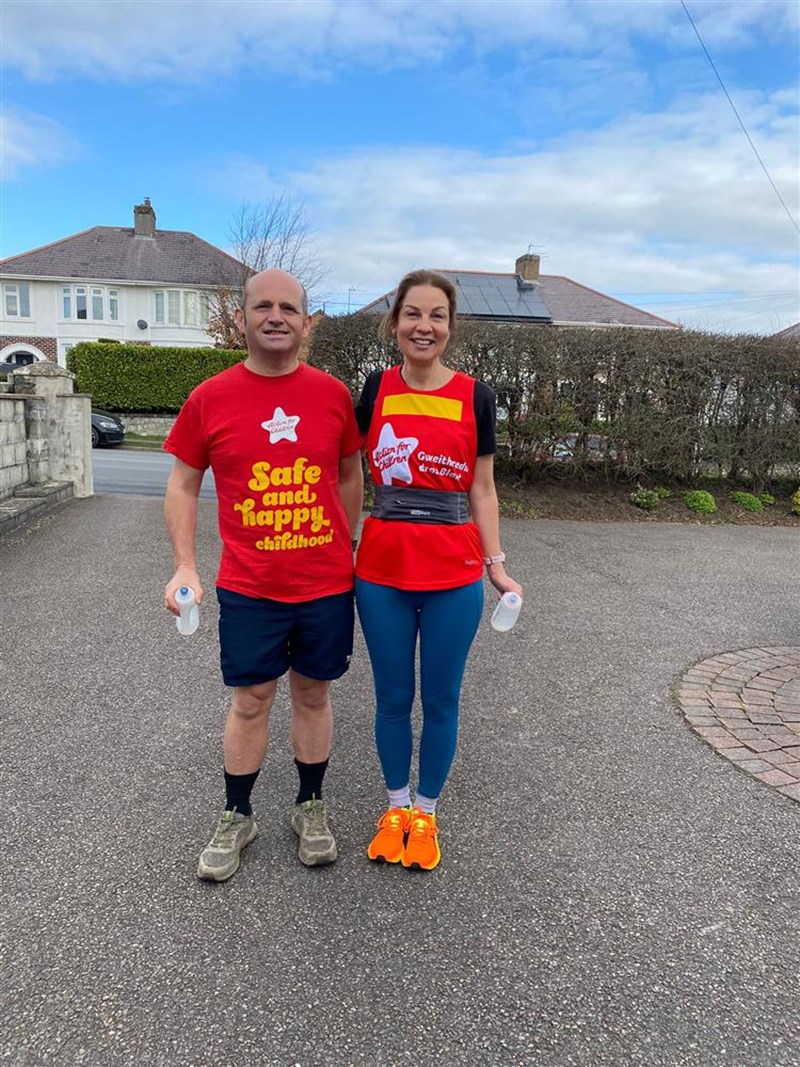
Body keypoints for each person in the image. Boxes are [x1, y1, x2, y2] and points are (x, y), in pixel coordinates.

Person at [163, 269, 363, 882]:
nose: (276, 317)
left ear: (307, 322)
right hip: (250, 588)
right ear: (242, 319)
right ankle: (238, 814)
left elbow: (349, 473)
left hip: (326, 586)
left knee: (314, 693)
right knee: (251, 700)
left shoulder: (332, 395)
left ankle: (309, 806)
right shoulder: (210, 397)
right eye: (263, 307)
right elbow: (183, 484)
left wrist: (348, 544)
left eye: (289, 308)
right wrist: (185, 565)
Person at [354, 269, 522, 871]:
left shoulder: (476, 395)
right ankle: (395, 808)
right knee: (393, 697)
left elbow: (483, 489)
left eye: (437, 316)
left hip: (454, 572)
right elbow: (346, 470)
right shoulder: (375, 388)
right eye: (412, 314)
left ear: (450, 327)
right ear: (394, 322)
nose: (423, 326)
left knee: (442, 699)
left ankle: (425, 813)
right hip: (381, 569)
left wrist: (496, 566)